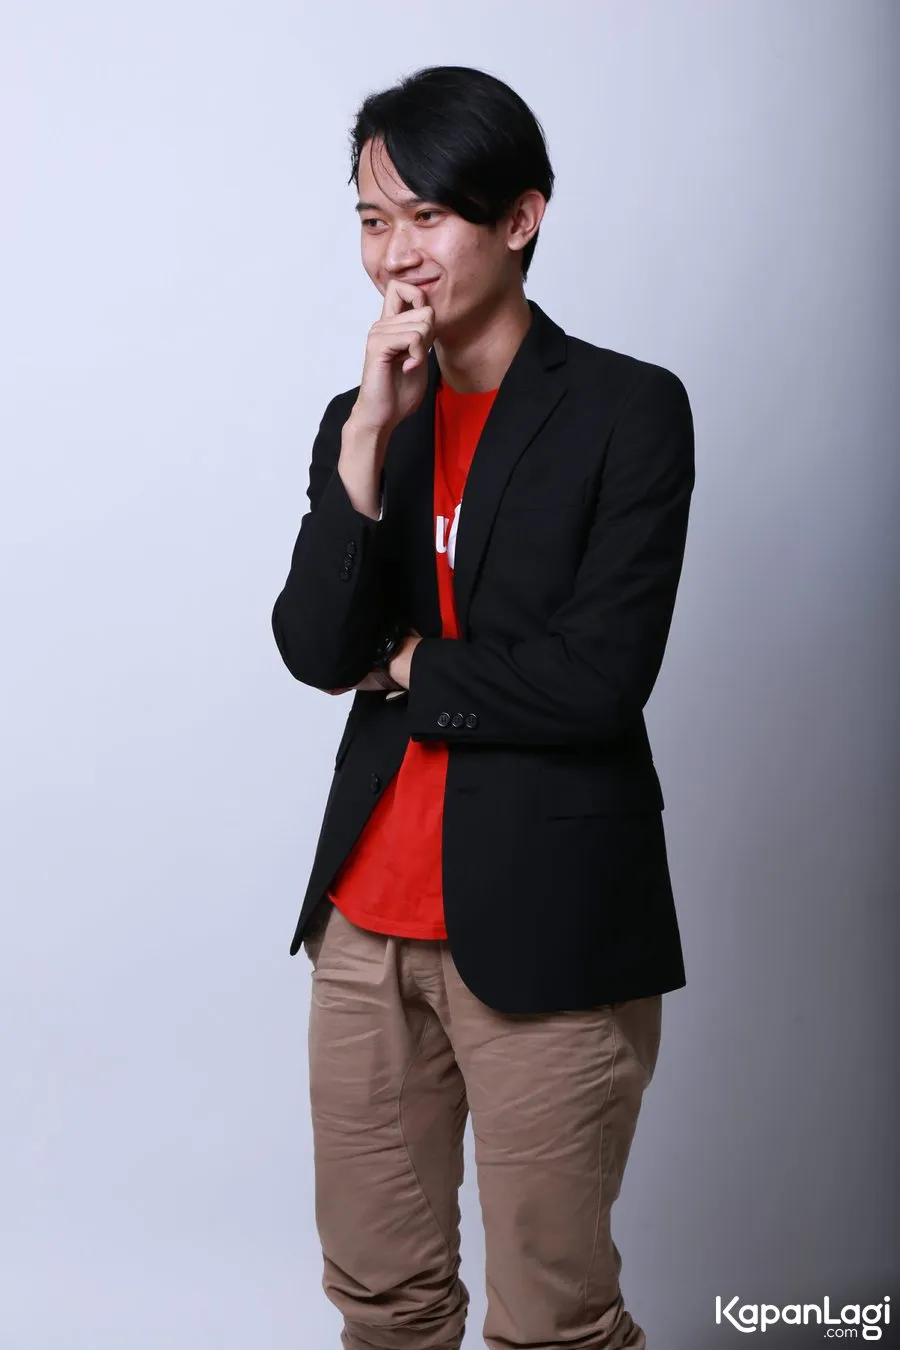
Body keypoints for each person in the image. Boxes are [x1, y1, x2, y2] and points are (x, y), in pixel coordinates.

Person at [271, 63, 695, 1350]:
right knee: (384, 1302)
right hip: (363, 926)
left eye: (428, 215)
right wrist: (366, 445)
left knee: (555, 1319)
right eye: (370, 219)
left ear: (521, 218)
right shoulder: (364, 415)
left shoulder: (628, 410)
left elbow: (596, 681)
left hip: (546, 928)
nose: (395, 253)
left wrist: (407, 664)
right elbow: (314, 647)